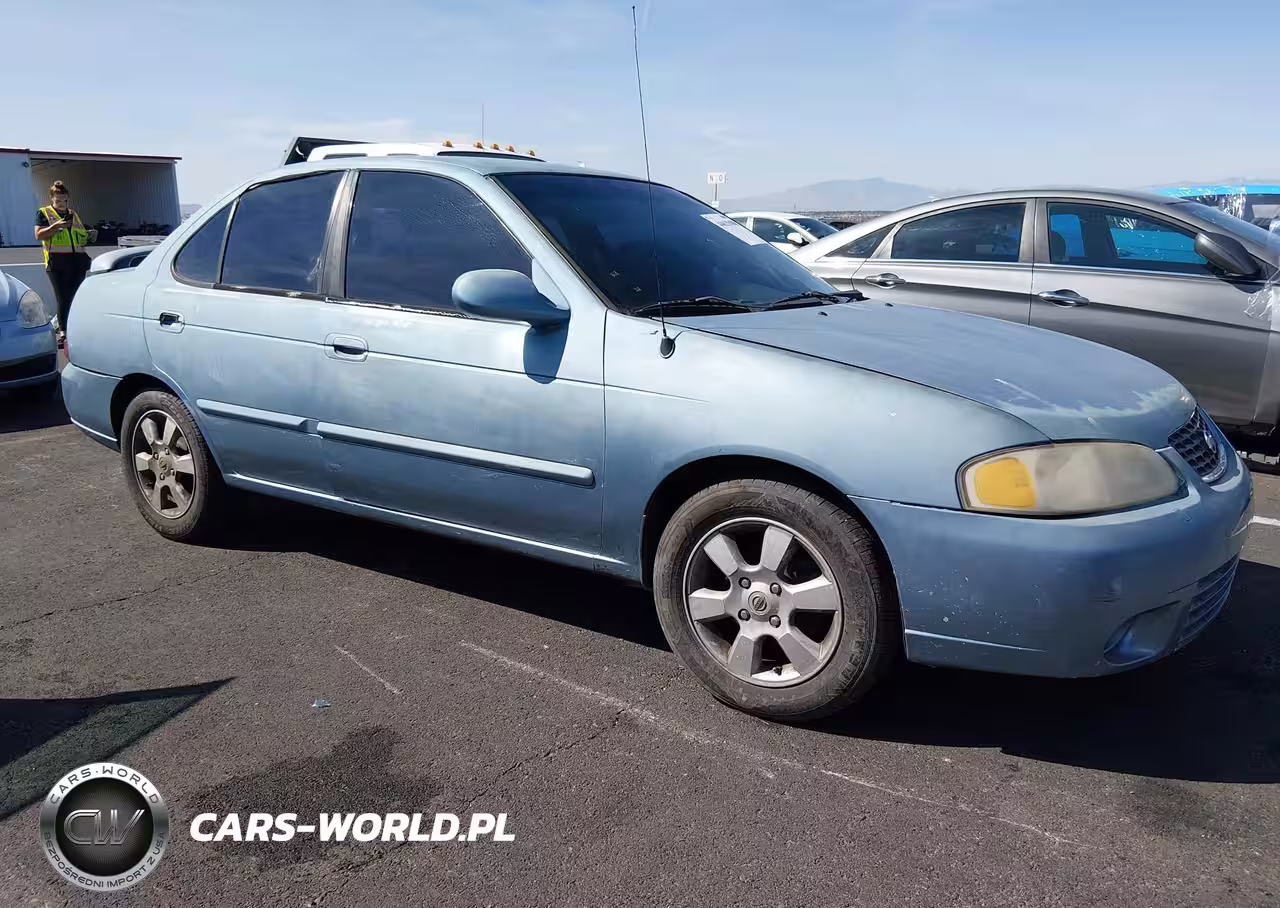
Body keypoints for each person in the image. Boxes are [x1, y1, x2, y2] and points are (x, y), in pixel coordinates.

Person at [33, 181, 96, 343]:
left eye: (65, 200)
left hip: (77, 260)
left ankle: (76, 329)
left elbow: (79, 235)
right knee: (63, 298)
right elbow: (38, 235)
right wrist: (55, 226)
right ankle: (63, 333)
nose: (62, 204)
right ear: (52, 199)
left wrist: (89, 234)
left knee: (75, 296)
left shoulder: (73, 214)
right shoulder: (44, 213)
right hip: (56, 262)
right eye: (59, 201)